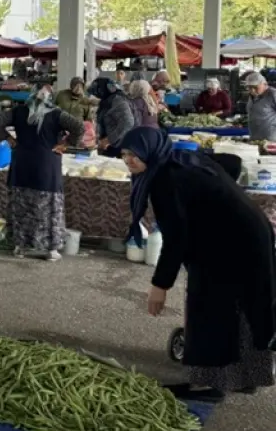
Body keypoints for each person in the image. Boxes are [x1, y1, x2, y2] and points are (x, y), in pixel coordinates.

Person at [118, 127, 276, 399]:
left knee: (210, 306)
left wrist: (160, 285)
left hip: (231, 243)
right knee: (243, 306)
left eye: (136, 154)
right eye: (125, 155)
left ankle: (210, 383)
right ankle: (246, 377)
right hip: (247, 234)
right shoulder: (179, 159)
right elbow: (232, 162)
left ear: (152, 152)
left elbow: (176, 239)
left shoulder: (166, 181)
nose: (129, 160)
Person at [0, 86, 85, 259]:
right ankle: (51, 250)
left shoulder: (18, 112)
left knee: (21, 205)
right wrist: (65, 144)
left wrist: (10, 140)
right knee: (49, 207)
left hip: (22, 164)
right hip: (47, 165)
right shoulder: (56, 114)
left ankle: (20, 246)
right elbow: (78, 126)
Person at [91, 77, 136, 150]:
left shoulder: (118, 100)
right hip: (111, 145)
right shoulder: (108, 100)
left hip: (119, 147)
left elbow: (128, 122)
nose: (96, 94)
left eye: (98, 90)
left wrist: (108, 140)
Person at [243, 71, 276, 141]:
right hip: (254, 137)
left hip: (270, 140)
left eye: (255, 87)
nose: (252, 90)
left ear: (264, 84)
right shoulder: (252, 96)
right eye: (249, 87)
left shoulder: (272, 94)